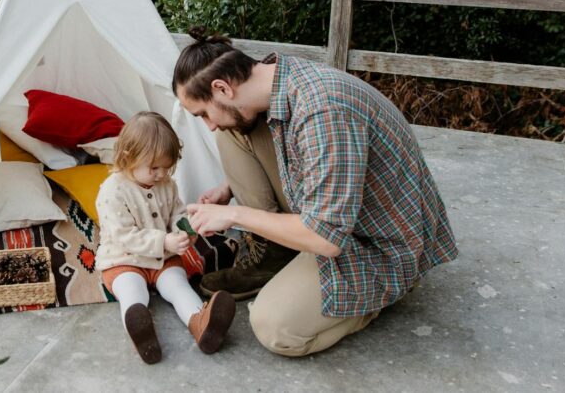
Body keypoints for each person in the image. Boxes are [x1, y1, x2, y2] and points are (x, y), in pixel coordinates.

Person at [173, 29, 458, 357]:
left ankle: (375, 298)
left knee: (274, 327)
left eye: (204, 113)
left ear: (222, 87)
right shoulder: (276, 79)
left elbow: (328, 239)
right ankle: (278, 250)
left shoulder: (323, 110)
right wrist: (229, 188)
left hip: (377, 245)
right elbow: (293, 148)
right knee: (232, 132)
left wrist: (236, 214)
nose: (207, 125)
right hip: (335, 213)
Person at [95, 111, 236, 364]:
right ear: (129, 159)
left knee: (178, 286)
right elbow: (123, 235)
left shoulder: (167, 184)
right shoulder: (112, 191)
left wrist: (185, 230)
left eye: (167, 167)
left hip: (164, 259)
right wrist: (163, 241)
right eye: (154, 168)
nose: (161, 174)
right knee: (132, 291)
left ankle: (201, 323)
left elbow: (176, 213)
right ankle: (142, 333)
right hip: (124, 260)